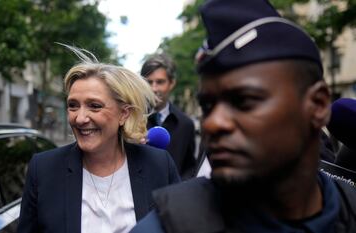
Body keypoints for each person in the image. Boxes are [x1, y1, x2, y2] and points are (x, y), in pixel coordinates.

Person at [131, 0, 356, 232]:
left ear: (318, 105)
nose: (214, 123)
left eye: (244, 101)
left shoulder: (350, 209)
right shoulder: (167, 227)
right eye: (208, 106)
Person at [17, 46, 180, 233]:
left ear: (123, 114)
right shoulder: (43, 169)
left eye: (94, 106)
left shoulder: (159, 165)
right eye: (73, 106)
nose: (80, 118)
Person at [141, 54, 196, 179]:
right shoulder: (130, 119)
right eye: (149, 82)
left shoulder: (186, 124)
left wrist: (180, 189)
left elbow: (190, 167)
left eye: (160, 82)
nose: (154, 88)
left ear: (171, 83)